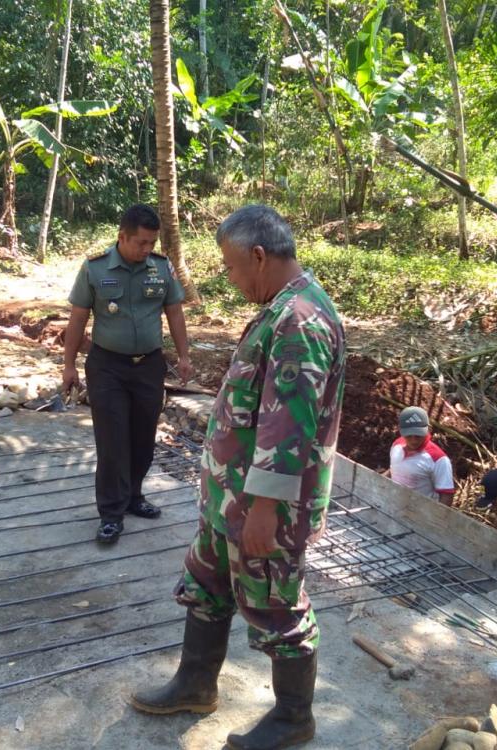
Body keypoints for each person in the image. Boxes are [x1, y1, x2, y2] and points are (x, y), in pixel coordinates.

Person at [130, 205, 347, 750]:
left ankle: (294, 719)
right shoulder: (280, 309)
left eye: (229, 267)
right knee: (206, 584)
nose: (227, 278)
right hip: (230, 498)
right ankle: (195, 684)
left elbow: (288, 424)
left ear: (258, 255)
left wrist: (267, 509)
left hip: (261, 507)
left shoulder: (300, 319)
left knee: (278, 605)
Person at [61, 204, 193, 545]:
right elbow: (77, 319)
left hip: (148, 365)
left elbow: (175, 312)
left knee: (142, 437)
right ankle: (110, 513)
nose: (147, 249)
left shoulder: (161, 269)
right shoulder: (95, 269)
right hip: (107, 367)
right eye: (142, 243)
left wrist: (184, 355)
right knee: (112, 440)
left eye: (152, 243)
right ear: (122, 237)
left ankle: (134, 496)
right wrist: (68, 365)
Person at [388, 405, 455, 505]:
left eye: (418, 435)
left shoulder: (439, 459)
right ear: (400, 430)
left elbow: (447, 495)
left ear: (428, 429)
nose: (414, 440)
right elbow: (394, 469)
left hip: (422, 512)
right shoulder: (396, 445)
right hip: (395, 504)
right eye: (409, 435)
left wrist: (436, 519)